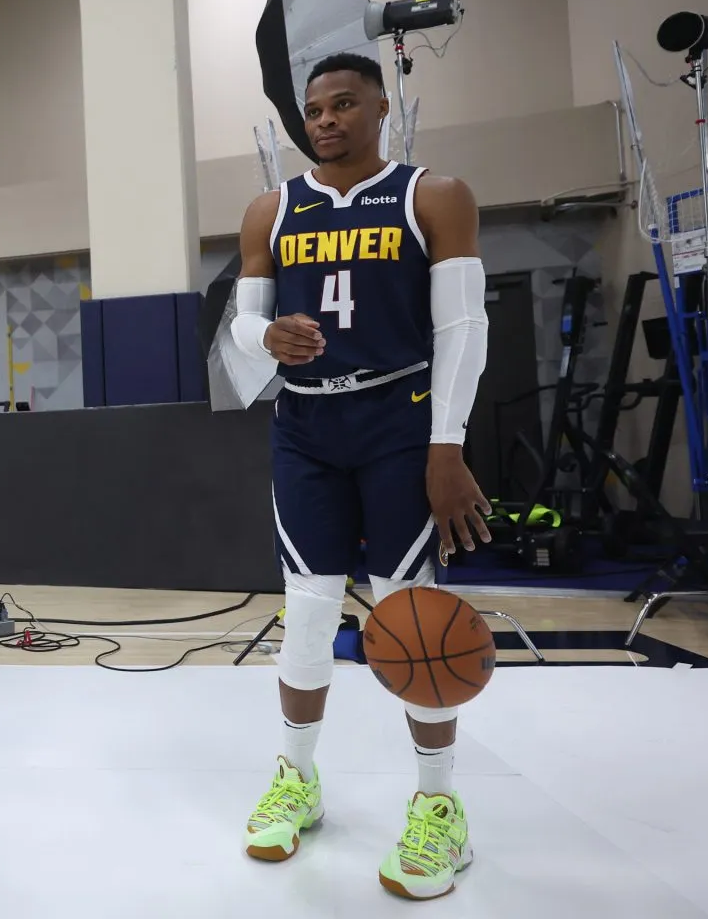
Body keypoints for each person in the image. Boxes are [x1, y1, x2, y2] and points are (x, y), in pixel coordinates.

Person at [230, 52, 491, 901]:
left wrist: (445, 446)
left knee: (413, 617)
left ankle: (439, 809)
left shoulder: (433, 196)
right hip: (304, 426)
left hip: (398, 421)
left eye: (345, 103)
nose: (326, 119)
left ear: (383, 106)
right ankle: (297, 781)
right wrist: (264, 341)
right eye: (314, 108)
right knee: (305, 616)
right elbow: (242, 323)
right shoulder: (271, 208)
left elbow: (462, 327)